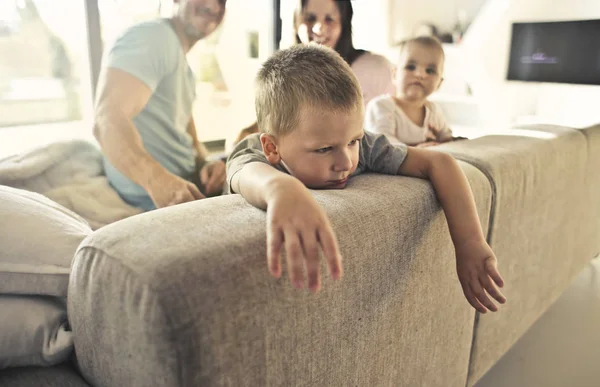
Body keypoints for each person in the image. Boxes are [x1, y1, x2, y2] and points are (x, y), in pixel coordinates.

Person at [226, 44, 506, 314]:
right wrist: (279, 187)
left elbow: (440, 162)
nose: (346, 161)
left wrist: (469, 242)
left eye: (353, 141)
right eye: (324, 149)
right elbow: (247, 173)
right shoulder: (253, 151)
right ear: (272, 148)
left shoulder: (366, 145)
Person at [93, 0, 228, 211]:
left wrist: (205, 164)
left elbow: (188, 137)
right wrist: (158, 182)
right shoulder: (153, 37)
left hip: (191, 182)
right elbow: (106, 119)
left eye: (223, 1)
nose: (215, 6)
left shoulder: (185, 71)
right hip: (152, 199)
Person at [293, 0, 395, 107]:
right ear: (296, 23)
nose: (319, 29)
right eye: (310, 18)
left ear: (344, 24)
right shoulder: (286, 78)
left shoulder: (376, 70)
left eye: (329, 19)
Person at [364, 36, 454, 147]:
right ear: (395, 74)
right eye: (411, 67)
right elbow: (382, 147)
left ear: (439, 83)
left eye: (430, 71)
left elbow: (449, 142)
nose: (420, 74)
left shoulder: (434, 111)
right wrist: (418, 151)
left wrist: (448, 141)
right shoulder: (381, 106)